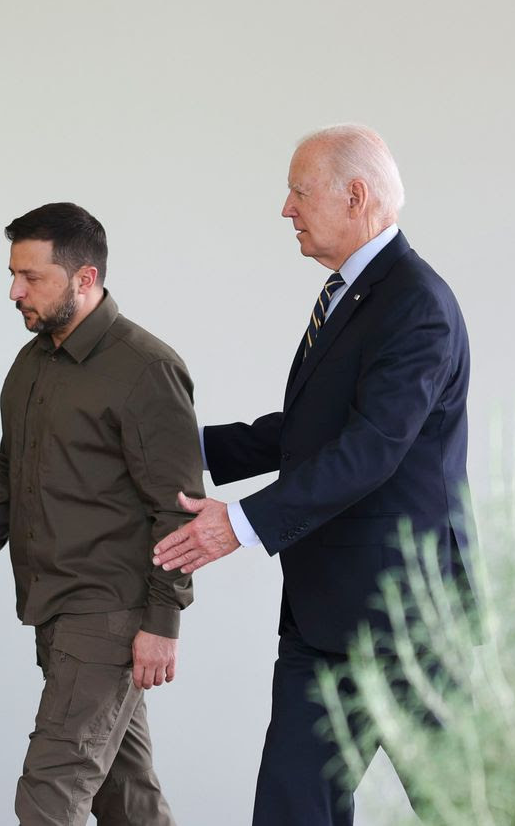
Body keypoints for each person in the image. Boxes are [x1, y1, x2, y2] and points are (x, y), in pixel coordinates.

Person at [151, 124, 475, 825]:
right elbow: (307, 433)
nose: (286, 208)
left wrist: (239, 524)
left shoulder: (418, 305)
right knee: (293, 809)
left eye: (299, 191)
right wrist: (185, 445)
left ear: (356, 196)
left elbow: (371, 449)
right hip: (322, 619)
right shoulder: (350, 294)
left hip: (403, 620)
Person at [0, 202, 202, 826]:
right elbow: (7, 468)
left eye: (32, 278)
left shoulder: (146, 368)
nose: (14, 291)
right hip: (52, 607)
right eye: (13, 274)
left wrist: (163, 620)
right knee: (124, 794)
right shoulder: (32, 364)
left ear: (85, 279)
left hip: (107, 613)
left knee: (50, 792)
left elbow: (178, 508)